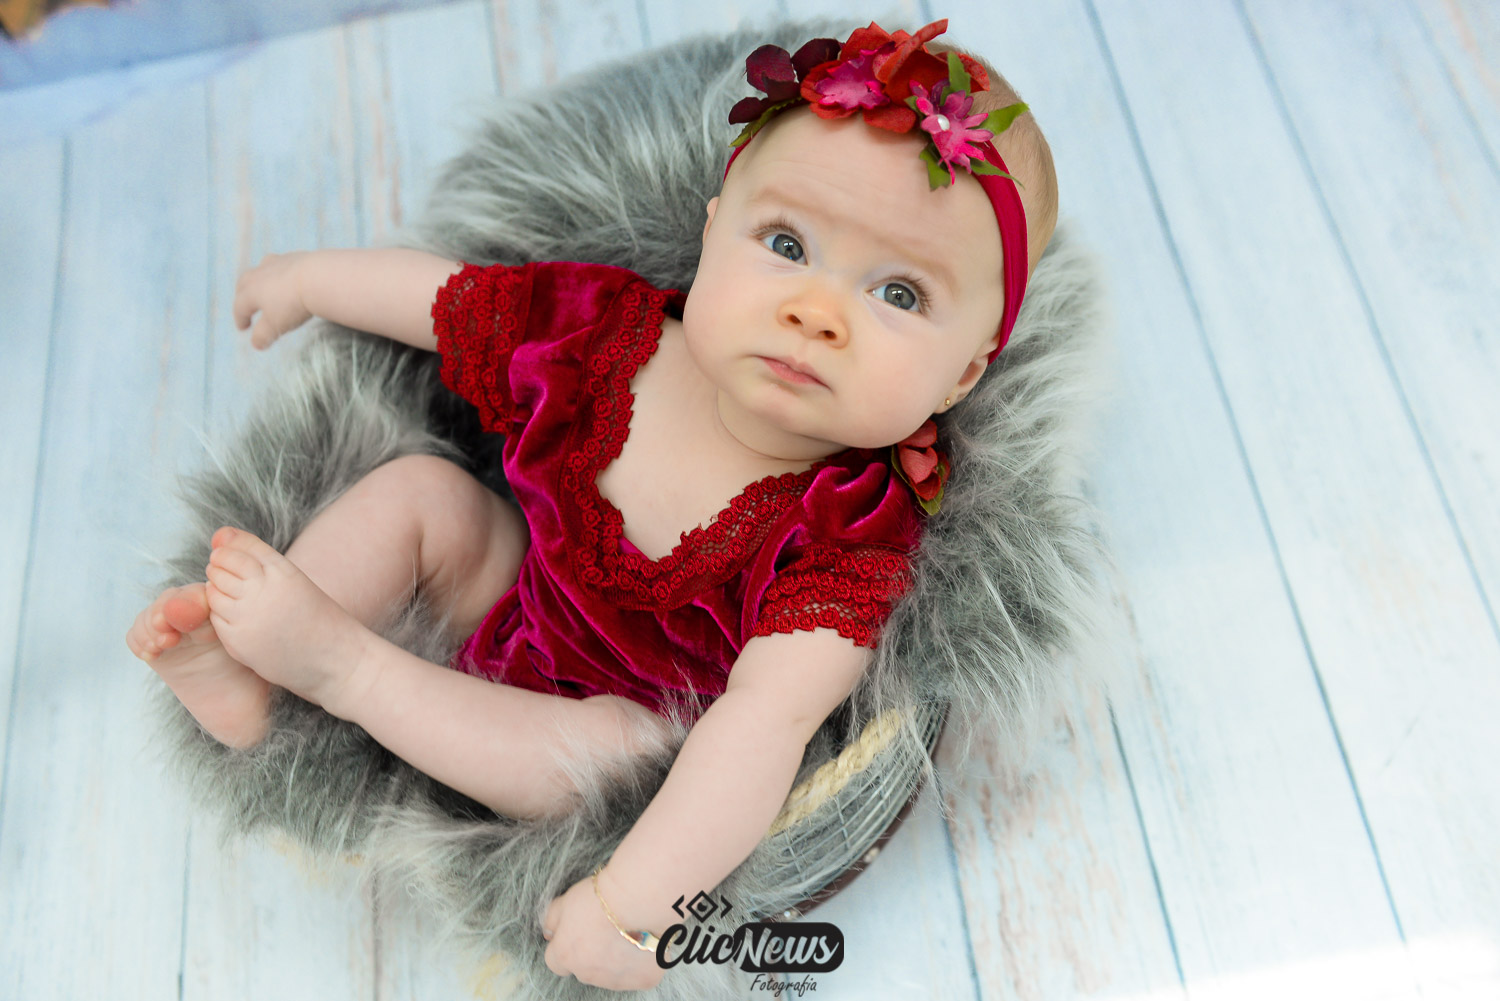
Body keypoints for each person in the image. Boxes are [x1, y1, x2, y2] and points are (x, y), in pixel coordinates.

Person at [125, 19, 1058, 991]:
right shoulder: (607, 333)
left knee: (622, 750)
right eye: (786, 244)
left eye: (898, 293)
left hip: (610, 730)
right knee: (423, 495)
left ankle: (337, 664)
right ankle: (250, 678)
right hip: (508, 601)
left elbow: (766, 722)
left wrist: (634, 905)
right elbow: (451, 299)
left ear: (962, 374)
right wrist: (312, 280)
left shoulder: (851, 530)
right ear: (711, 234)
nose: (815, 312)